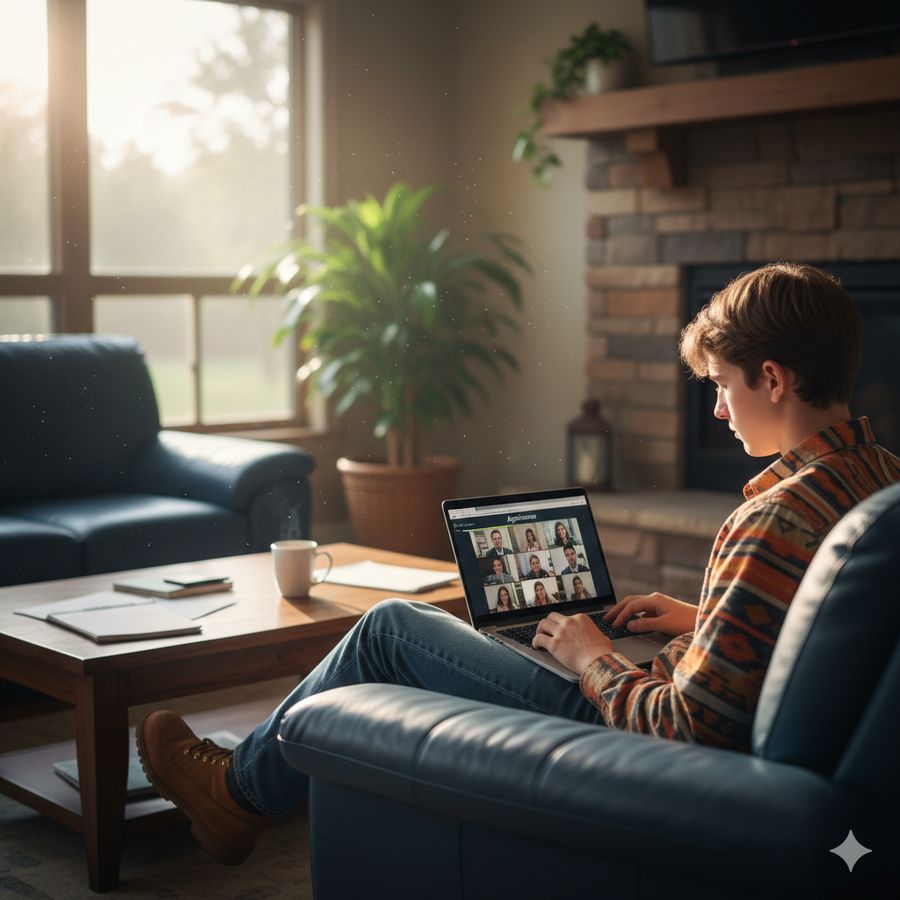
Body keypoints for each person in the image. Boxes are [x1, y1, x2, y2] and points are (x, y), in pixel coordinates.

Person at [137, 262, 900, 868]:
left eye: (725, 386)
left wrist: (593, 656)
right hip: (710, 704)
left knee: (391, 629)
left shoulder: (770, 519)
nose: (719, 411)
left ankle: (235, 793)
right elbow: (829, 636)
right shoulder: (879, 477)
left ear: (774, 379)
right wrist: (707, 620)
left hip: (626, 733)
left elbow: (686, 731)